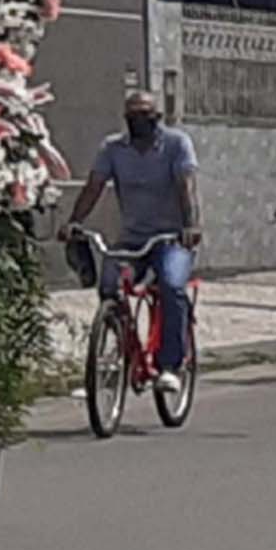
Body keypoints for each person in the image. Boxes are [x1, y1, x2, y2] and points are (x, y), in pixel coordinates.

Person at [57, 90, 202, 393]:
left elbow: (186, 185)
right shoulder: (113, 148)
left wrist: (190, 226)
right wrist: (75, 222)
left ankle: (170, 365)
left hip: (171, 237)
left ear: (157, 117)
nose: (138, 120)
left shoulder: (177, 144)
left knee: (172, 285)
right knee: (110, 285)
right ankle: (118, 355)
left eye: (145, 114)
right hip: (133, 239)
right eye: (132, 115)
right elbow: (94, 186)